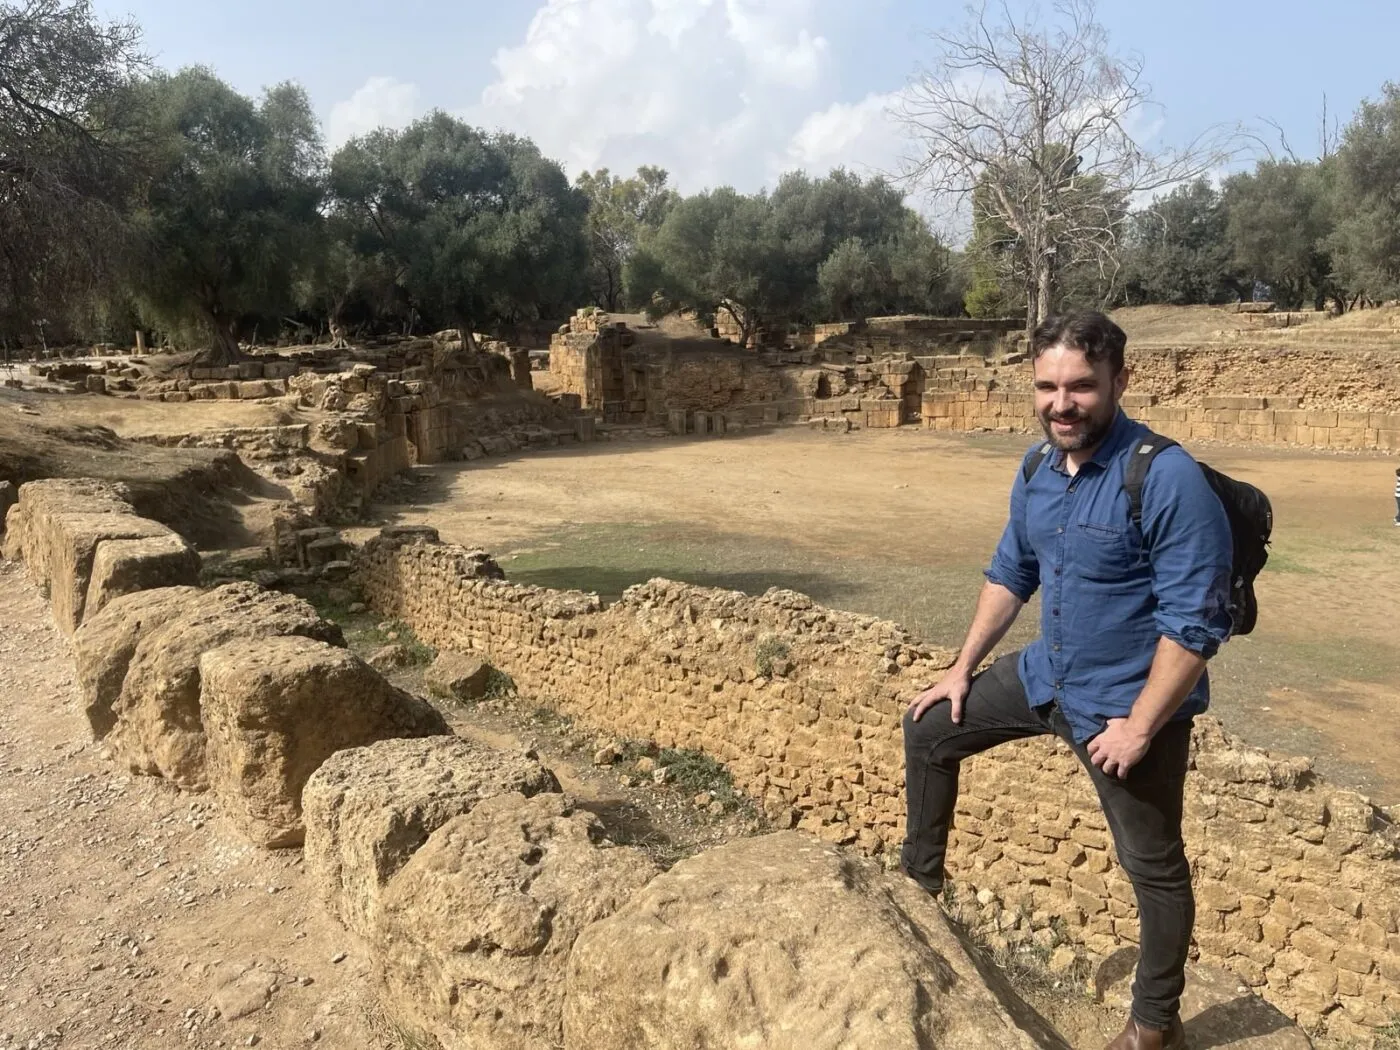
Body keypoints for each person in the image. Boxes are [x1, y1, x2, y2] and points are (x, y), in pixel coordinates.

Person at [901, 311, 1234, 1050]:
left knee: (1154, 867)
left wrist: (1140, 727)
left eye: (1081, 386)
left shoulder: (1165, 476)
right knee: (929, 729)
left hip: (1124, 705)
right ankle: (917, 894)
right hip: (1047, 677)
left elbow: (1197, 625)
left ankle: (1154, 1025)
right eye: (1047, 387)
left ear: (1120, 380)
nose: (1062, 404)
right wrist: (960, 669)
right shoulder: (1037, 470)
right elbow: (1011, 573)